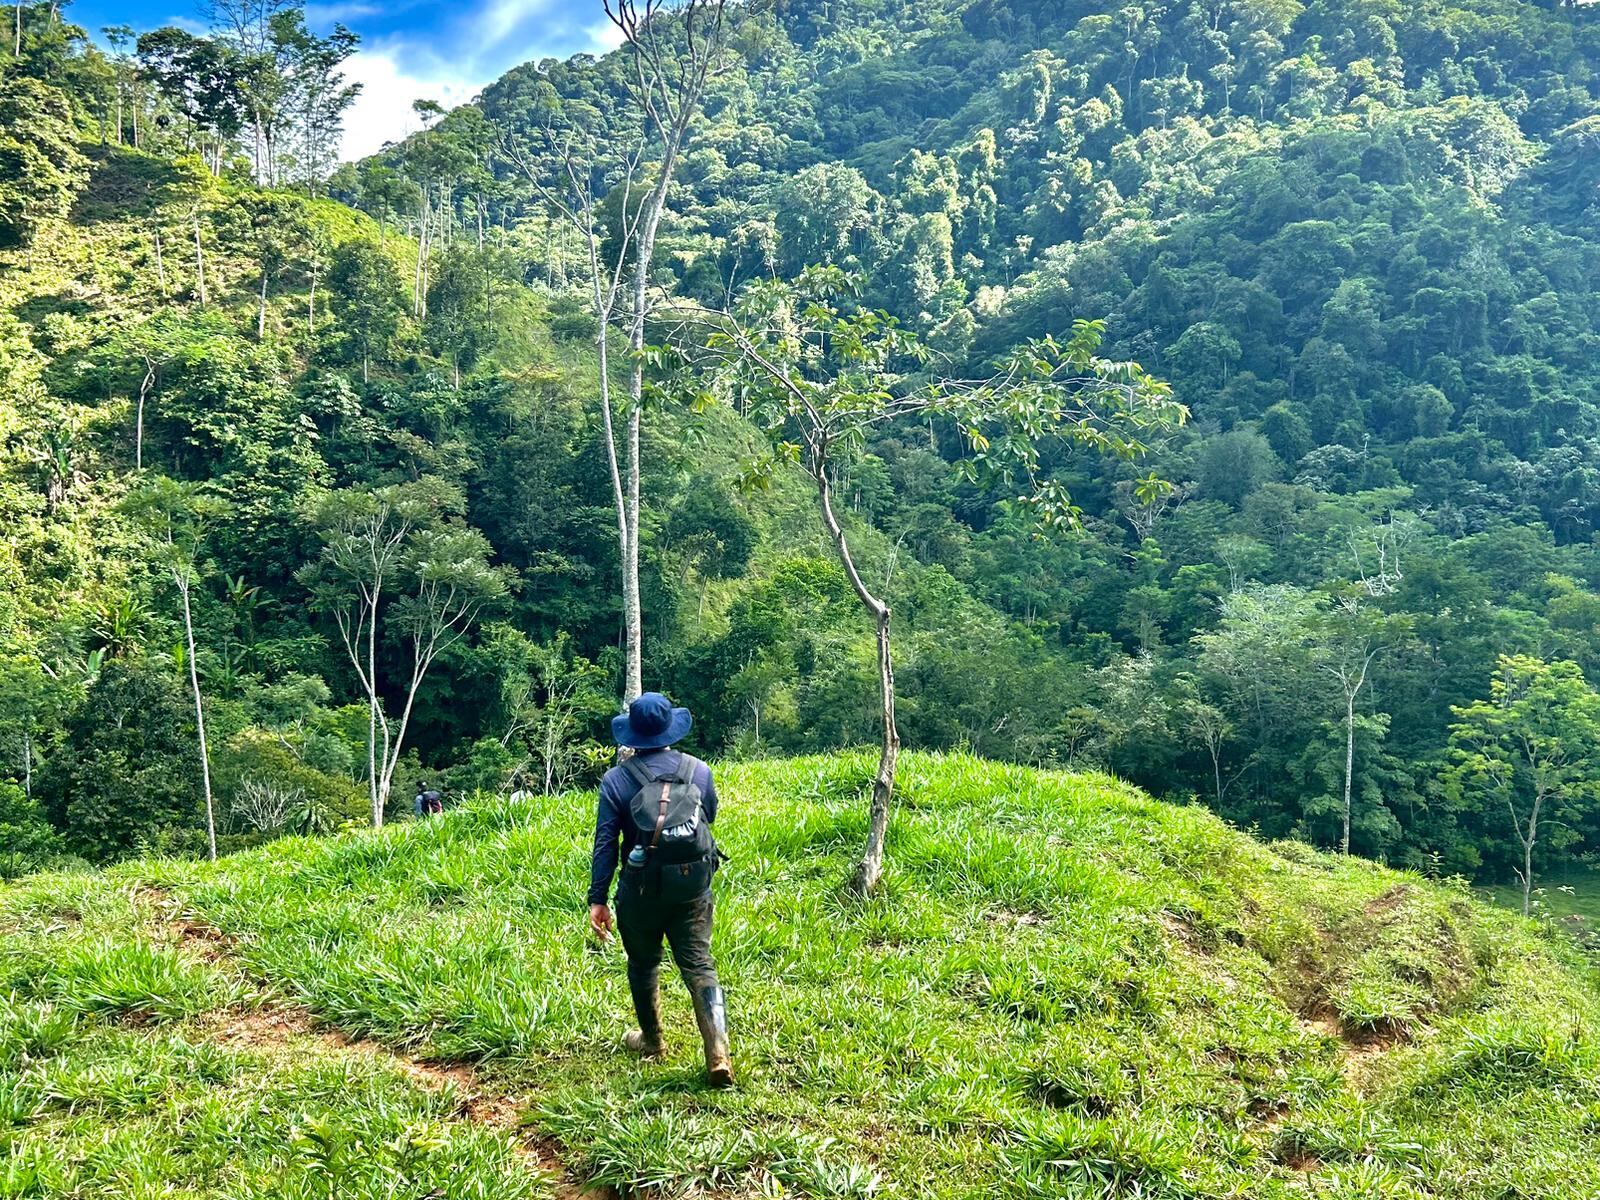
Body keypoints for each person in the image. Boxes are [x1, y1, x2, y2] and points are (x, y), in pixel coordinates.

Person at [588, 692, 732, 1087]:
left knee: (643, 963)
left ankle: (652, 1041)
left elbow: (605, 843)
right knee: (700, 964)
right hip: (692, 886)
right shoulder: (698, 769)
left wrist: (597, 898)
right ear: (672, 728)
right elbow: (710, 815)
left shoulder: (616, 780)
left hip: (640, 891)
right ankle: (718, 1051)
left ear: (632, 736)